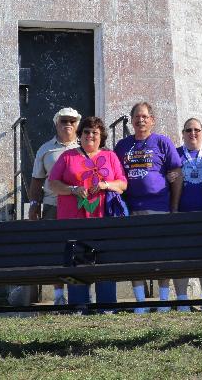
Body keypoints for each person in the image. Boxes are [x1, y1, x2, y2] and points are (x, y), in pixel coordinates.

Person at [49, 116, 127, 307]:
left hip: (103, 220)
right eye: (86, 131)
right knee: (76, 264)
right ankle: (79, 306)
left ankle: (106, 307)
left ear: (101, 137)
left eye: (95, 132)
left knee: (105, 263)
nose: (90, 135)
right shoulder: (68, 156)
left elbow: (122, 184)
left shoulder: (110, 157)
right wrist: (73, 189)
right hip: (74, 220)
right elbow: (53, 184)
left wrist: (104, 185)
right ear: (80, 134)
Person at [114, 102, 183, 313]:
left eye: (145, 116)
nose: (141, 120)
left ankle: (163, 301)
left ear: (152, 120)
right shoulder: (122, 146)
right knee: (136, 255)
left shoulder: (162, 142)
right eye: (137, 116)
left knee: (161, 254)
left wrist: (174, 207)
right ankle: (140, 302)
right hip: (131, 208)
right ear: (132, 120)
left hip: (159, 206)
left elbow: (177, 174)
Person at [29, 107, 81, 305]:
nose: (68, 124)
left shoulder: (85, 146)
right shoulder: (45, 149)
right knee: (58, 251)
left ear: (77, 124)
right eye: (63, 121)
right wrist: (34, 205)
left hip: (80, 206)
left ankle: (80, 291)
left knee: (80, 249)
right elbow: (36, 181)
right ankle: (59, 294)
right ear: (56, 124)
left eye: (72, 120)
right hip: (53, 205)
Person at [170, 118, 202, 313]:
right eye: (188, 130)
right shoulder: (175, 155)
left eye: (197, 130)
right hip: (182, 214)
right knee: (181, 258)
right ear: (182, 133)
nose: (193, 133)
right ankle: (182, 300)